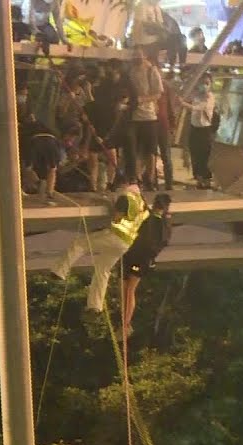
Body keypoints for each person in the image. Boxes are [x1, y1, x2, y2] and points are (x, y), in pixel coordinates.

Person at [50, 189, 147, 312]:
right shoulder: (142, 204)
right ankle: (95, 305)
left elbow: (116, 218)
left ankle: (59, 271)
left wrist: (108, 204)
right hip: (126, 243)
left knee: (80, 244)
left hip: (115, 236)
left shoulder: (126, 199)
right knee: (103, 269)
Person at [121, 193, 171, 334]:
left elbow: (154, 242)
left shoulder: (158, 221)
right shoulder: (163, 222)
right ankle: (125, 322)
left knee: (129, 288)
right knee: (126, 288)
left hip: (139, 257)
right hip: (136, 256)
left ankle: (126, 323)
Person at [127, 51, 163, 189]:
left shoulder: (151, 71)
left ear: (145, 55)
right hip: (134, 117)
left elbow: (158, 93)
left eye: (139, 55)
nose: (137, 58)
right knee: (135, 150)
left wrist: (142, 100)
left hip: (149, 116)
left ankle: (150, 179)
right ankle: (137, 179)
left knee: (150, 151)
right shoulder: (131, 72)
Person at [182, 74, 215, 189]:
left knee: (204, 156)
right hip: (194, 129)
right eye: (203, 83)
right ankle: (198, 179)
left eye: (207, 83)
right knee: (194, 154)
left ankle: (206, 179)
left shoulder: (210, 97)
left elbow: (199, 108)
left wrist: (184, 104)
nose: (204, 86)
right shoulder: (196, 95)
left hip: (205, 130)